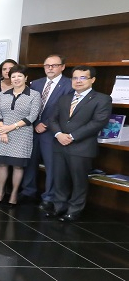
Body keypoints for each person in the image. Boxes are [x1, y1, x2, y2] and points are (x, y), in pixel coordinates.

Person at [44, 66, 111, 222]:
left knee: (79, 181)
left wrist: (73, 136)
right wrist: (59, 134)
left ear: (92, 80)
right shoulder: (64, 98)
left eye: (83, 78)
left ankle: (74, 210)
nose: (78, 81)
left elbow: (98, 122)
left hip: (81, 147)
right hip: (60, 144)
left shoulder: (102, 99)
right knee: (59, 178)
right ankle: (59, 207)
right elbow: (52, 119)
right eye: (75, 78)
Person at [27, 54, 73, 209]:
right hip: (32, 129)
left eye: (54, 65)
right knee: (29, 162)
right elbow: (29, 106)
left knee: (51, 165)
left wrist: (45, 124)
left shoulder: (69, 85)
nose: (50, 68)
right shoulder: (36, 84)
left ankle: (49, 196)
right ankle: (28, 191)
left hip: (52, 131)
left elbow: (64, 110)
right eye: (47, 65)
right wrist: (34, 123)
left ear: (62, 67)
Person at [0, 65, 41, 206]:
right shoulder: (3, 94)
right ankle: (0, 192)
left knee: (18, 166)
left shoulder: (34, 95)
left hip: (22, 133)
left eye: (19, 76)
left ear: (26, 78)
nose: (16, 79)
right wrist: (2, 129)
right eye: (13, 76)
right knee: (2, 164)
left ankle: (13, 194)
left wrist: (10, 128)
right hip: (2, 133)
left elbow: (32, 116)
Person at [0, 58, 18, 196]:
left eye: (10, 69)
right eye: (4, 69)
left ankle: (8, 187)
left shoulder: (21, 85)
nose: (7, 71)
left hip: (15, 128)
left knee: (13, 159)